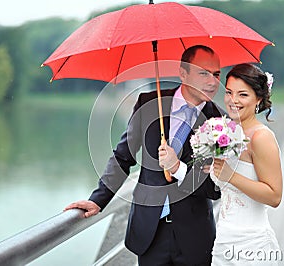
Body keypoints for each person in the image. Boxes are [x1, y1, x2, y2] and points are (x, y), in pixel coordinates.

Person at [65, 45, 224, 265]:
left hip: (195, 236)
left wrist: (177, 167)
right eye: (203, 73)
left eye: (216, 74)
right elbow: (123, 157)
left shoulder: (220, 123)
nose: (212, 81)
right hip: (150, 232)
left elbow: (214, 188)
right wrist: (98, 200)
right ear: (183, 73)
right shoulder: (148, 104)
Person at [209, 63, 283, 265]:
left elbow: (275, 196)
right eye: (229, 92)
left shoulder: (261, 138)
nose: (233, 100)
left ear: (258, 98)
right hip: (223, 240)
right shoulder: (225, 134)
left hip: (252, 245)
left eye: (243, 95)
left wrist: (230, 176)